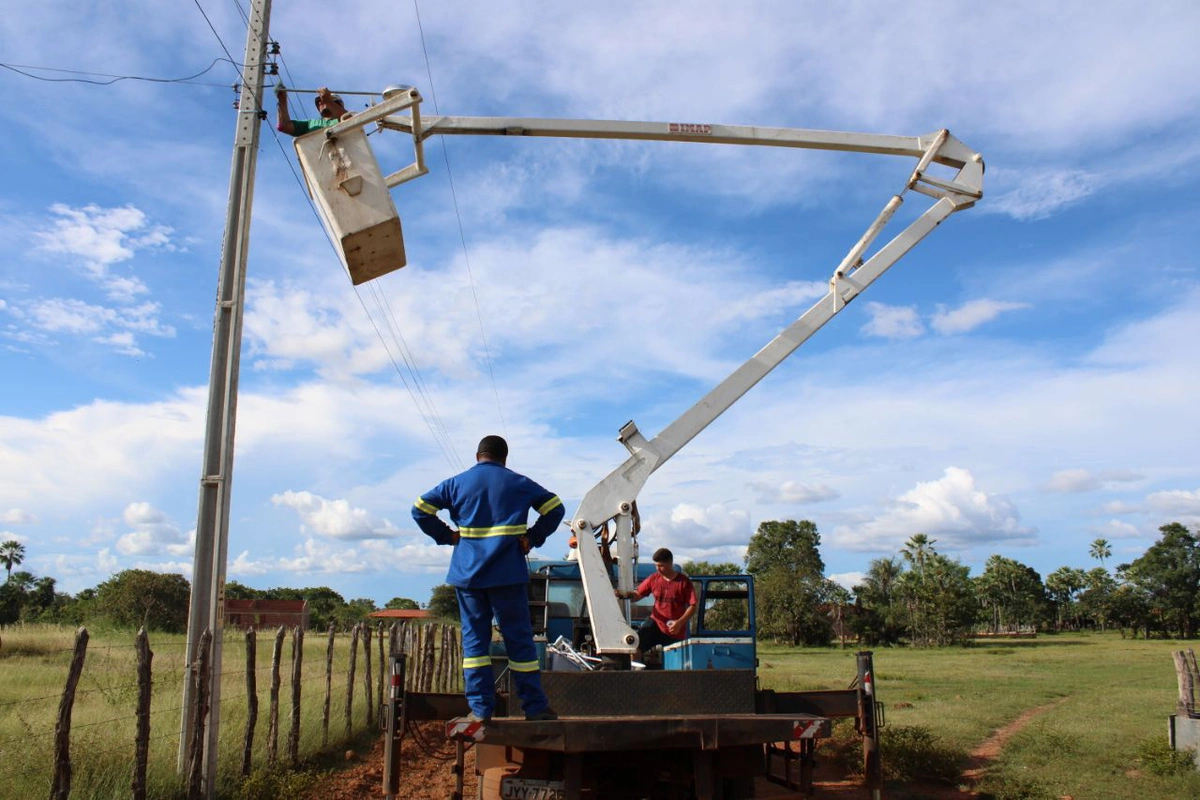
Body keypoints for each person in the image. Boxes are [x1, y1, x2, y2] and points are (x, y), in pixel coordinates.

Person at [412, 435, 564, 723]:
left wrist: (447, 536)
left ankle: (481, 710)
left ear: (477, 455)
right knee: (519, 642)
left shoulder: (456, 483)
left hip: (469, 577)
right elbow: (555, 507)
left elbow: (419, 509)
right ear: (505, 458)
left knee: (475, 646)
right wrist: (533, 537)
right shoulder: (519, 483)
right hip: (508, 574)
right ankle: (534, 709)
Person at [616, 547, 697, 657]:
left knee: (674, 661)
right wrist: (625, 594)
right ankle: (635, 671)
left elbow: (692, 606)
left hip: (674, 629)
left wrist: (679, 623)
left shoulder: (684, 582)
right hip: (655, 623)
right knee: (634, 647)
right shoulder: (653, 579)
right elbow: (637, 596)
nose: (658, 569)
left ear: (670, 563)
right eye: (656, 566)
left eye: (661, 566)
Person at [275, 84, 349, 136]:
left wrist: (328, 101)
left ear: (338, 104)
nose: (320, 103)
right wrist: (282, 100)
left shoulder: (344, 118)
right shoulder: (310, 124)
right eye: (319, 102)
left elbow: (351, 119)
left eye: (323, 100)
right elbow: (284, 126)